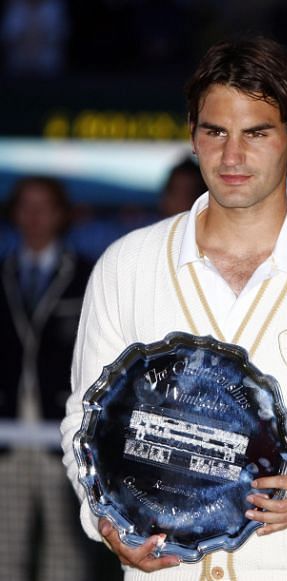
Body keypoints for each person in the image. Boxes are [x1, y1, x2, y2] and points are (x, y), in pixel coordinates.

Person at [60, 36, 287, 581]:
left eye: (256, 133)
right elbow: (86, 420)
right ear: (193, 138)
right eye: (215, 131)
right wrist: (108, 521)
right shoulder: (127, 264)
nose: (232, 156)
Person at [0, 176, 94, 581]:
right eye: (26, 206)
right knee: (5, 548)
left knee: (65, 552)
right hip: (6, 434)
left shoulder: (86, 276)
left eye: (44, 207)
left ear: (60, 214)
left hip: (63, 434)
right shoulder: (2, 274)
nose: (34, 217)